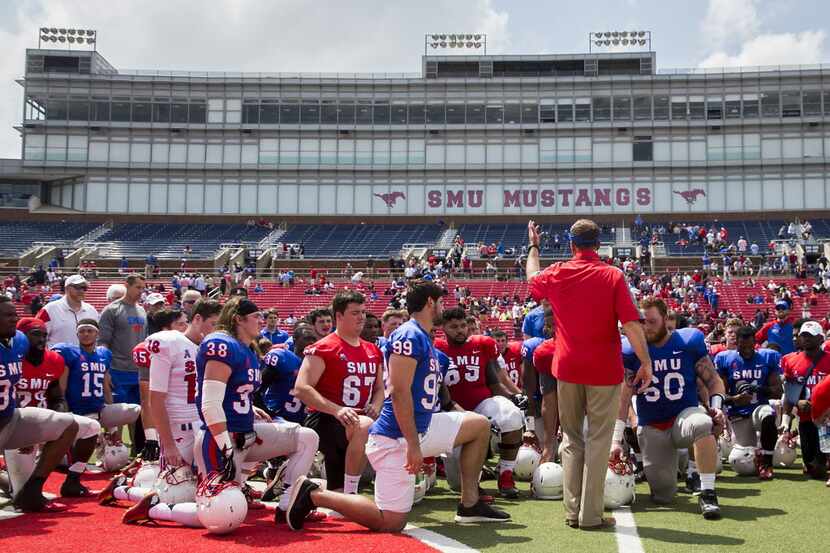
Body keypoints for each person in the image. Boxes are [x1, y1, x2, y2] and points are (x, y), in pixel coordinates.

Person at [284, 280, 509, 531]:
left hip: (421, 426)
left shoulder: (421, 336)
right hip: (397, 437)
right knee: (391, 522)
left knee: (478, 425)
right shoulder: (409, 335)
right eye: (442, 302)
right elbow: (399, 393)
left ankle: (470, 504)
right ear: (430, 303)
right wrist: (413, 447)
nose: (444, 308)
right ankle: (314, 494)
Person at [123, 297, 319, 531]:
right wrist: (226, 447)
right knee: (224, 515)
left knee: (307, 437)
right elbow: (209, 404)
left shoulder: (247, 349)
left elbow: (235, 393)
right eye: (256, 316)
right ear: (238, 319)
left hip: (246, 433)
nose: (261, 321)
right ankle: (155, 507)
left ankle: (288, 506)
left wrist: (251, 408)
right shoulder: (221, 344)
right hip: (219, 439)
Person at [526, 218, 652, 530]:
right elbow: (632, 325)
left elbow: (531, 277)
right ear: (599, 244)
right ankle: (591, 515)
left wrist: (534, 246)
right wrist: (645, 362)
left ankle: (571, 511)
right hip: (603, 370)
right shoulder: (613, 275)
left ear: (571, 245)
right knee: (598, 440)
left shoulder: (558, 272)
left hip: (567, 367)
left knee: (570, 438)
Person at [99, 301, 222, 513]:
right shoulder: (169, 342)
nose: (214, 330)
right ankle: (123, 490)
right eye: (212, 324)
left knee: (200, 490)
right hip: (176, 428)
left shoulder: (208, 348)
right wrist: (166, 443)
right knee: (175, 494)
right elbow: (155, 399)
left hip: (200, 424)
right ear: (198, 319)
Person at [613, 298, 726, 520]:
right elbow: (623, 398)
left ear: (666, 319)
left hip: (683, 418)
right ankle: (679, 464)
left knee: (703, 422)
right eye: (642, 322)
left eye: (652, 322)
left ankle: (708, 492)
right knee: (664, 494)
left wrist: (716, 407)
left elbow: (713, 380)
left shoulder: (688, 341)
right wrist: (616, 439)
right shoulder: (630, 350)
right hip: (652, 426)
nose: (646, 327)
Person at [294, 292, 384, 495]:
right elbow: (302, 388)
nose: (361, 317)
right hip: (327, 418)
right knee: (365, 426)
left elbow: (380, 389)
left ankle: (302, 487)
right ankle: (351, 493)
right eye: (355, 313)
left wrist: (376, 405)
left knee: (335, 491)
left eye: (362, 312)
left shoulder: (373, 350)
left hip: (355, 421)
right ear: (339, 316)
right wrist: (337, 410)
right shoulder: (324, 347)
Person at [4, 317, 101, 506]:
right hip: (14, 426)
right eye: (35, 335)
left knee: (91, 426)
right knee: (20, 493)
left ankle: (73, 480)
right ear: (22, 337)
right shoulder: (11, 359)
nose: (41, 340)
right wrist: (25, 435)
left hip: (40, 423)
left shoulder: (54, 360)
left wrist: (57, 422)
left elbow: (57, 398)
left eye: (44, 335)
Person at [435, 308, 526, 499]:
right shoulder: (437, 349)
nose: (460, 330)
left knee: (512, 415)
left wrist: (513, 398)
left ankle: (506, 473)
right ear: (443, 328)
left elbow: (494, 382)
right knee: (457, 484)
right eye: (454, 327)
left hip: (480, 404)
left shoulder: (482, 344)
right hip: (450, 412)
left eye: (463, 326)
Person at [0, 296, 80, 512]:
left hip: (10, 418)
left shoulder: (19, 341)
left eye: (14, 314)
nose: (14, 319)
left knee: (68, 425)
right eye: (7, 315)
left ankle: (32, 492)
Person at [52, 318, 141, 495]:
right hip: (77, 412)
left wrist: (113, 427)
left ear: (97, 333)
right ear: (77, 334)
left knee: (138, 411)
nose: (86, 334)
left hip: (99, 410)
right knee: (89, 430)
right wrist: (65, 411)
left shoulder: (103, 355)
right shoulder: (70, 353)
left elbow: (106, 386)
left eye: (89, 330)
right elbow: (62, 386)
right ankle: (73, 476)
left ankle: (143, 458)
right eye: (82, 331)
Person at [714, 326, 782, 480]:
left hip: (759, 408)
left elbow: (778, 391)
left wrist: (758, 388)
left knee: (768, 414)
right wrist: (735, 398)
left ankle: (767, 462)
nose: (746, 350)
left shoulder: (767, 357)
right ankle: (758, 450)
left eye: (749, 346)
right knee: (741, 464)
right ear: (735, 343)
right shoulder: (725, 359)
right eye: (742, 346)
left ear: (755, 343)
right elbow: (719, 393)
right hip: (739, 414)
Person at [98, 274, 148, 454]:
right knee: (116, 417)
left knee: (138, 417)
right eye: (138, 288)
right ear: (127, 285)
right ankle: (112, 453)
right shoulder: (112, 310)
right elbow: (102, 342)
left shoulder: (142, 311)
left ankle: (136, 453)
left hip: (138, 372)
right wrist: (105, 371)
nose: (141, 292)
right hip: (117, 370)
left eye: (143, 288)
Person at [780, 320, 830, 480]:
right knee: (813, 469)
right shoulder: (791, 360)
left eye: (811, 336)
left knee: (821, 468)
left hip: (827, 419)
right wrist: (797, 402)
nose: (806, 339)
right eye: (804, 336)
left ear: (821, 338)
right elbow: (790, 392)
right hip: (806, 418)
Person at [256, 324, 317, 424]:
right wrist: (268, 413)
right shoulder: (283, 357)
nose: (311, 342)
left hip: (299, 421)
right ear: (294, 339)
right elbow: (257, 389)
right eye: (307, 338)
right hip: (276, 418)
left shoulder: (316, 365)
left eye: (314, 339)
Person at [36, 274, 98, 348]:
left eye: (84, 288)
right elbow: (37, 336)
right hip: (58, 357)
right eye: (77, 287)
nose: (82, 291)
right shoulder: (49, 309)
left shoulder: (91, 310)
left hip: (84, 358)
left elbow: (96, 337)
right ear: (67, 288)